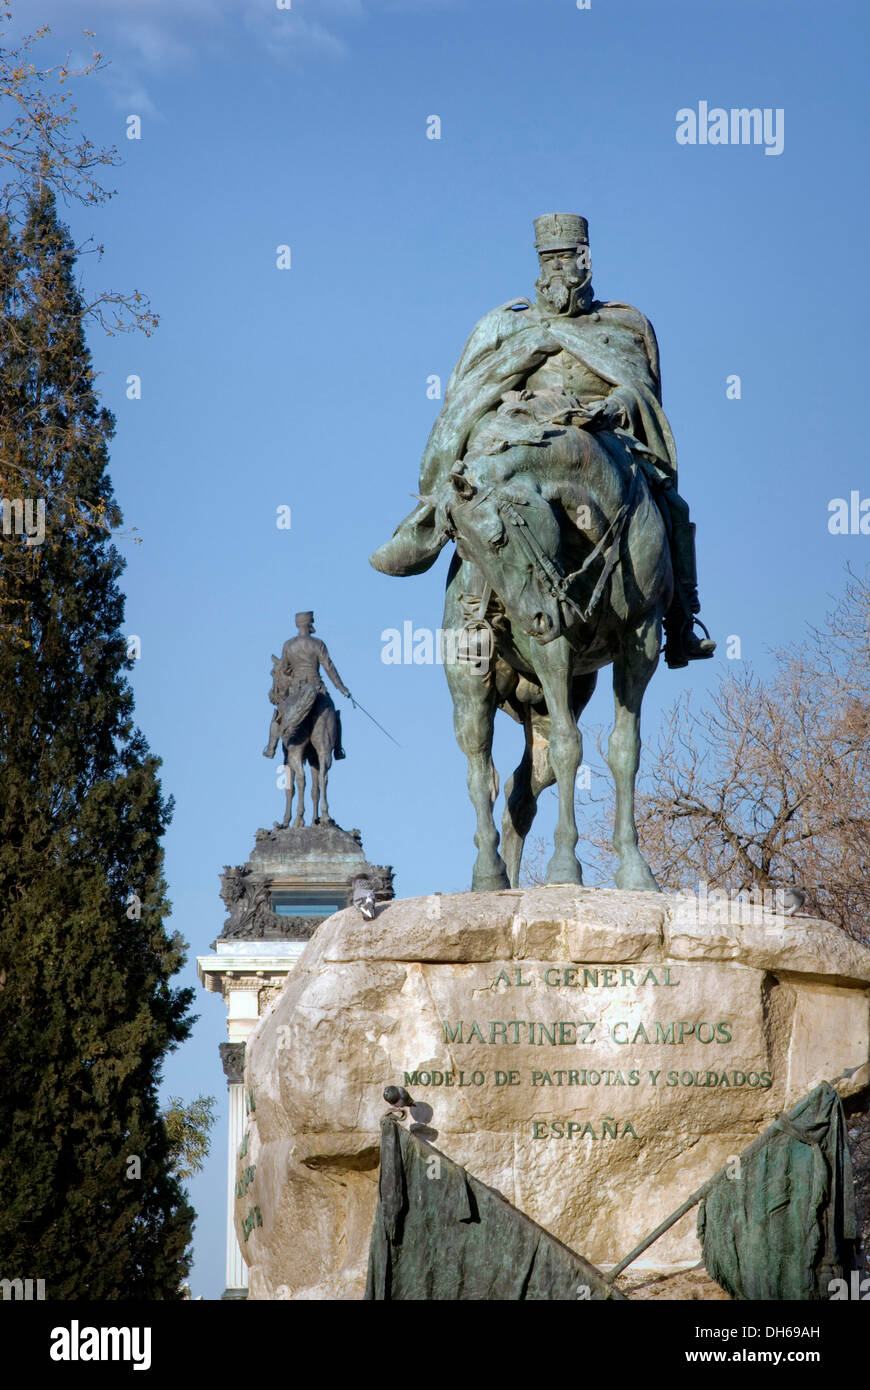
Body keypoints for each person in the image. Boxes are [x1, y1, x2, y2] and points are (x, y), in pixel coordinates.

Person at [370, 213, 715, 667]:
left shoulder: (626, 325)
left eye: (567, 258)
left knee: (673, 504)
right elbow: (469, 401)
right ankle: (476, 609)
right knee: (485, 500)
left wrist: (617, 405)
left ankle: (680, 619)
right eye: (549, 259)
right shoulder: (506, 327)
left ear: (585, 261)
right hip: (525, 439)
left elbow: (644, 392)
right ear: (537, 263)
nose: (558, 270)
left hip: (604, 439)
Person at [263, 611, 351, 759]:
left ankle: (271, 747)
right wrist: (342, 688)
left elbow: (284, 669)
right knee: (334, 716)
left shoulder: (289, 645)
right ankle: (338, 749)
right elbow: (329, 667)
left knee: (279, 717)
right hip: (317, 687)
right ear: (310, 624)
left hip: (296, 688)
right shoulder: (318, 644)